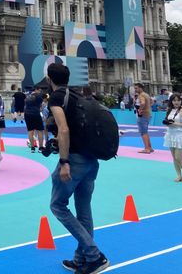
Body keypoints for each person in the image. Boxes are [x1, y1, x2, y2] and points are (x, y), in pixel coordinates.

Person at [47, 63, 109, 274]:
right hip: (92, 160)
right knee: (84, 211)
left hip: (75, 160)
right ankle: (81, 260)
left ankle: (94, 255)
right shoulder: (77, 95)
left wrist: (64, 162)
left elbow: (64, 129)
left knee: (58, 205)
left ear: (49, 79)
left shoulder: (56, 98)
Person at [163, 94, 182, 182]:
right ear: (171, 101)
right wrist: (167, 123)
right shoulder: (169, 110)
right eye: (174, 100)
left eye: (178, 100)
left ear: (181, 101)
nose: (176, 102)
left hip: (180, 136)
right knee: (174, 158)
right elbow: (167, 120)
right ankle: (179, 175)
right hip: (170, 135)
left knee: (178, 157)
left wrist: (177, 124)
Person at [134, 83, 154, 153]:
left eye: (136, 88)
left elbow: (142, 103)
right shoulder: (146, 94)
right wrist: (148, 107)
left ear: (140, 88)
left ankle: (147, 148)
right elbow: (152, 101)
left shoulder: (141, 95)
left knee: (143, 132)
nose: (135, 90)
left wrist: (140, 110)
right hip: (148, 114)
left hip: (143, 115)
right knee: (145, 131)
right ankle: (150, 147)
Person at [24, 85, 44, 152]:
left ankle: (32, 147)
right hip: (35, 113)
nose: (40, 91)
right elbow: (40, 106)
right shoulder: (39, 97)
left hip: (27, 114)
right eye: (39, 90)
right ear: (36, 89)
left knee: (30, 131)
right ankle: (41, 147)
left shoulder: (28, 96)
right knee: (40, 130)